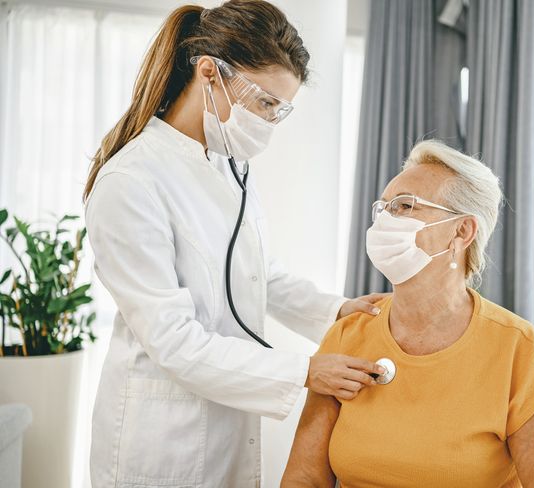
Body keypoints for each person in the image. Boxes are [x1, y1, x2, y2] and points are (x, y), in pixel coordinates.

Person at [83, 2, 385, 486]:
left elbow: (258, 273)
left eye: (278, 110)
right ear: (209, 72)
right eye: (265, 102)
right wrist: (305, 371)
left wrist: (338, 310)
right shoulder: (130, 181)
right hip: (163, 440)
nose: (268, 121)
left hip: (224, 419)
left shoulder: (228, 164)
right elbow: (173, 340)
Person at [281, 139, 534, 487]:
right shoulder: (348, 334)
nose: (386, 221)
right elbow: (304, 478)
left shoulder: (516, 348)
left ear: (462, 230)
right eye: (384, 208)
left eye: (406, 206)